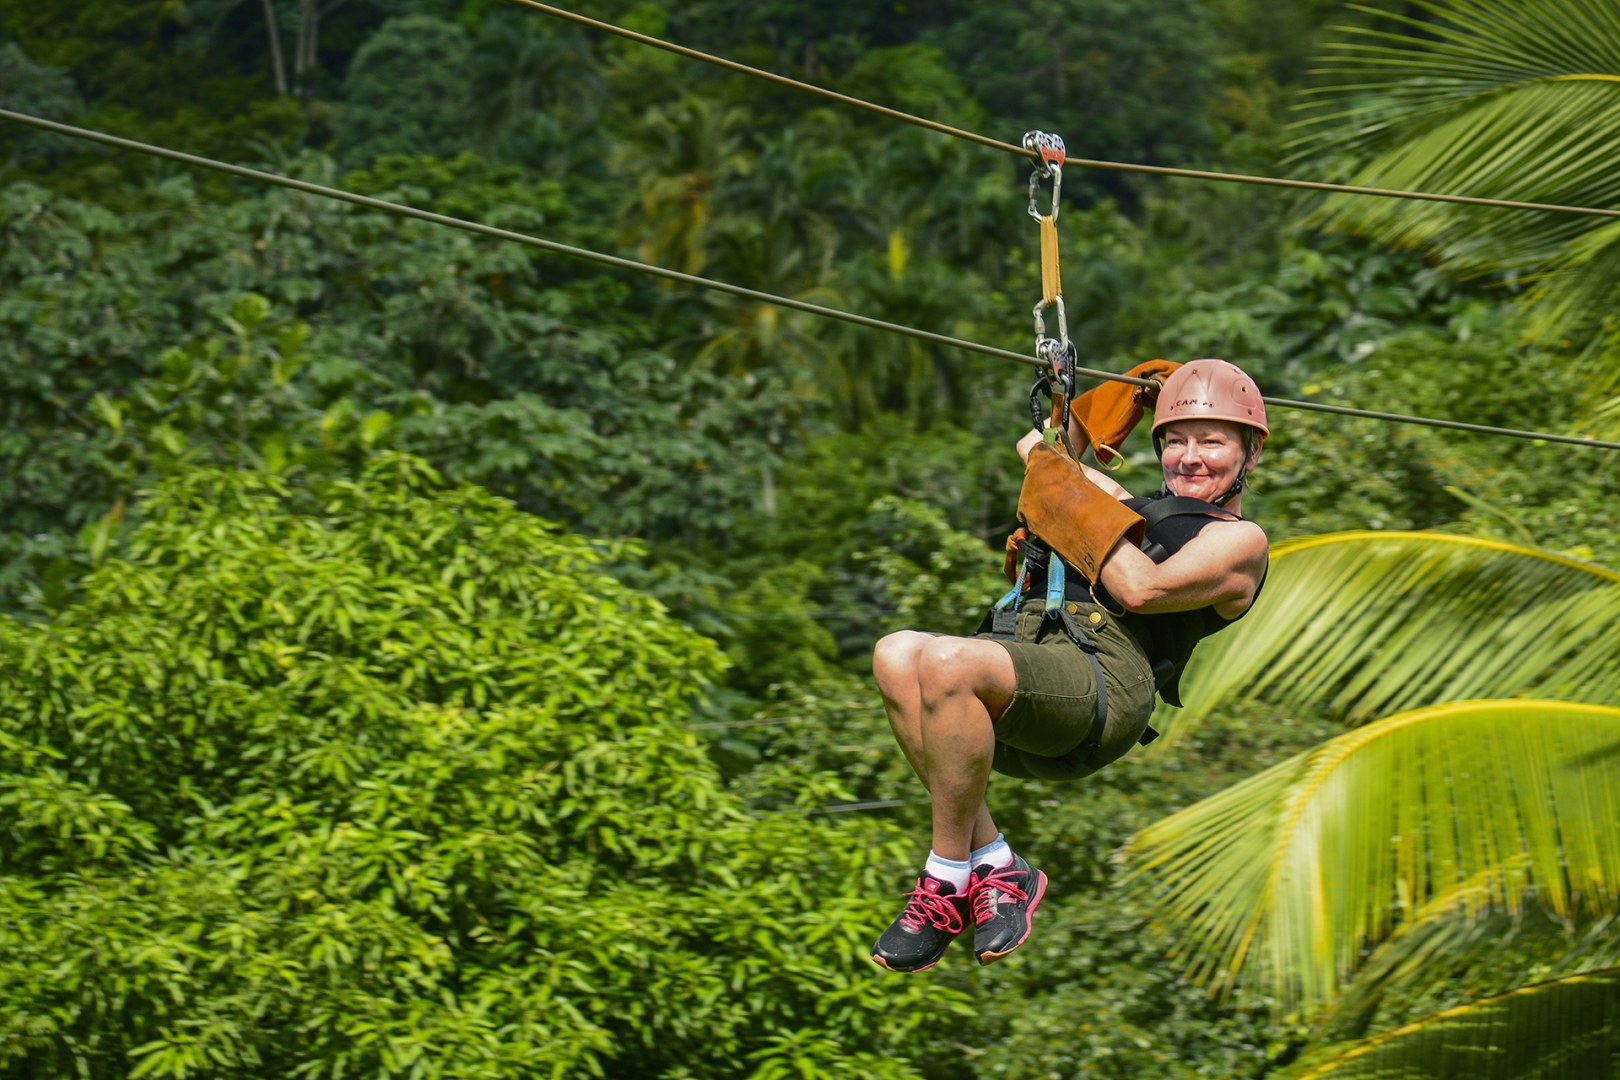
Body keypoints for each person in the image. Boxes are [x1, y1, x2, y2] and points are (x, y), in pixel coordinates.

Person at [869, 358, 1270, 973]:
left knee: (948, 661)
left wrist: (1072, 498)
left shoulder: (1238, 542)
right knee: (895, 653)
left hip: (1105, 685)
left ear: (1251, 455)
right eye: (1175, 441)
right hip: (1031, 679)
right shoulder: (1126, 509)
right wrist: (1116, 397)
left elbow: (1141, 588)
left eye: (1212, 443)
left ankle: (946, 879)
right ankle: (997, 866)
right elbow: (1037, 448)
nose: (1190, 457)